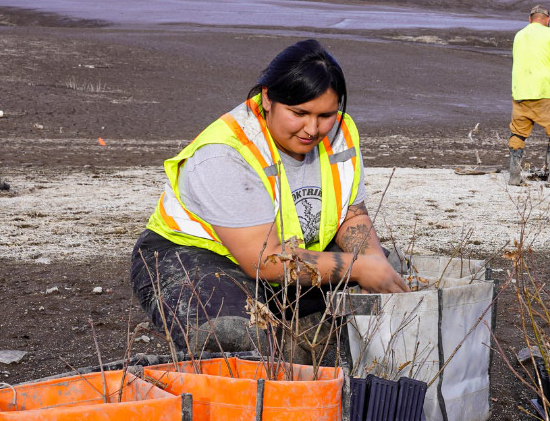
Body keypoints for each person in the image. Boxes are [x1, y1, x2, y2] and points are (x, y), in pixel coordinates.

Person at [130, 39, 409, 361]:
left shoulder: (341, 132)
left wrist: (374, 265)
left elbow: (352, 214)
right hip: (193, 259)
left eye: (325, 115)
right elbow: (265, 261)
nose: (312, 129)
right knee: (231, 335)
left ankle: (313, 359)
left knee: (393, 278)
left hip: (292, 255)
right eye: (299, 113)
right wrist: (357, 268)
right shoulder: (224, 153)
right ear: (267, 98)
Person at [507, 5, 550, 187]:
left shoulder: (519, 35)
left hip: (520, 92)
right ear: (547, 19)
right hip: (544, 92)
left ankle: (514, 176)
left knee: (518, 133)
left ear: (530, 18)